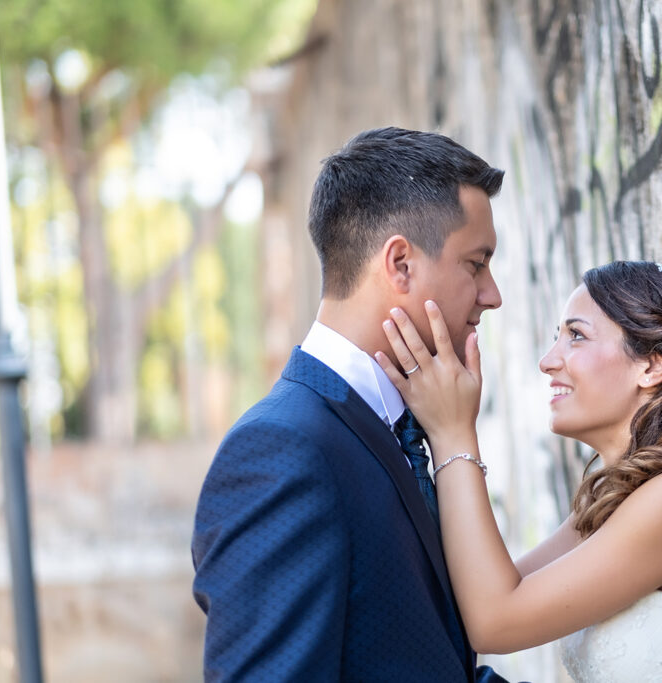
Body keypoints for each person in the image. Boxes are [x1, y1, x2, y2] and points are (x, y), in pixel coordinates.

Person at [191, 127, 512, 681]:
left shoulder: (403, 423)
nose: (492, 294)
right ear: (400, 265)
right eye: (476, 264)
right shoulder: (278, 453)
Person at [378, 260, 662, 682]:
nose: (547, 361)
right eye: (556, 338)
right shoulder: (616, 499)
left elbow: (494, 622)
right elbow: (471, 600)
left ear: (653, 365)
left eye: (576, 336)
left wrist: (454, 434)